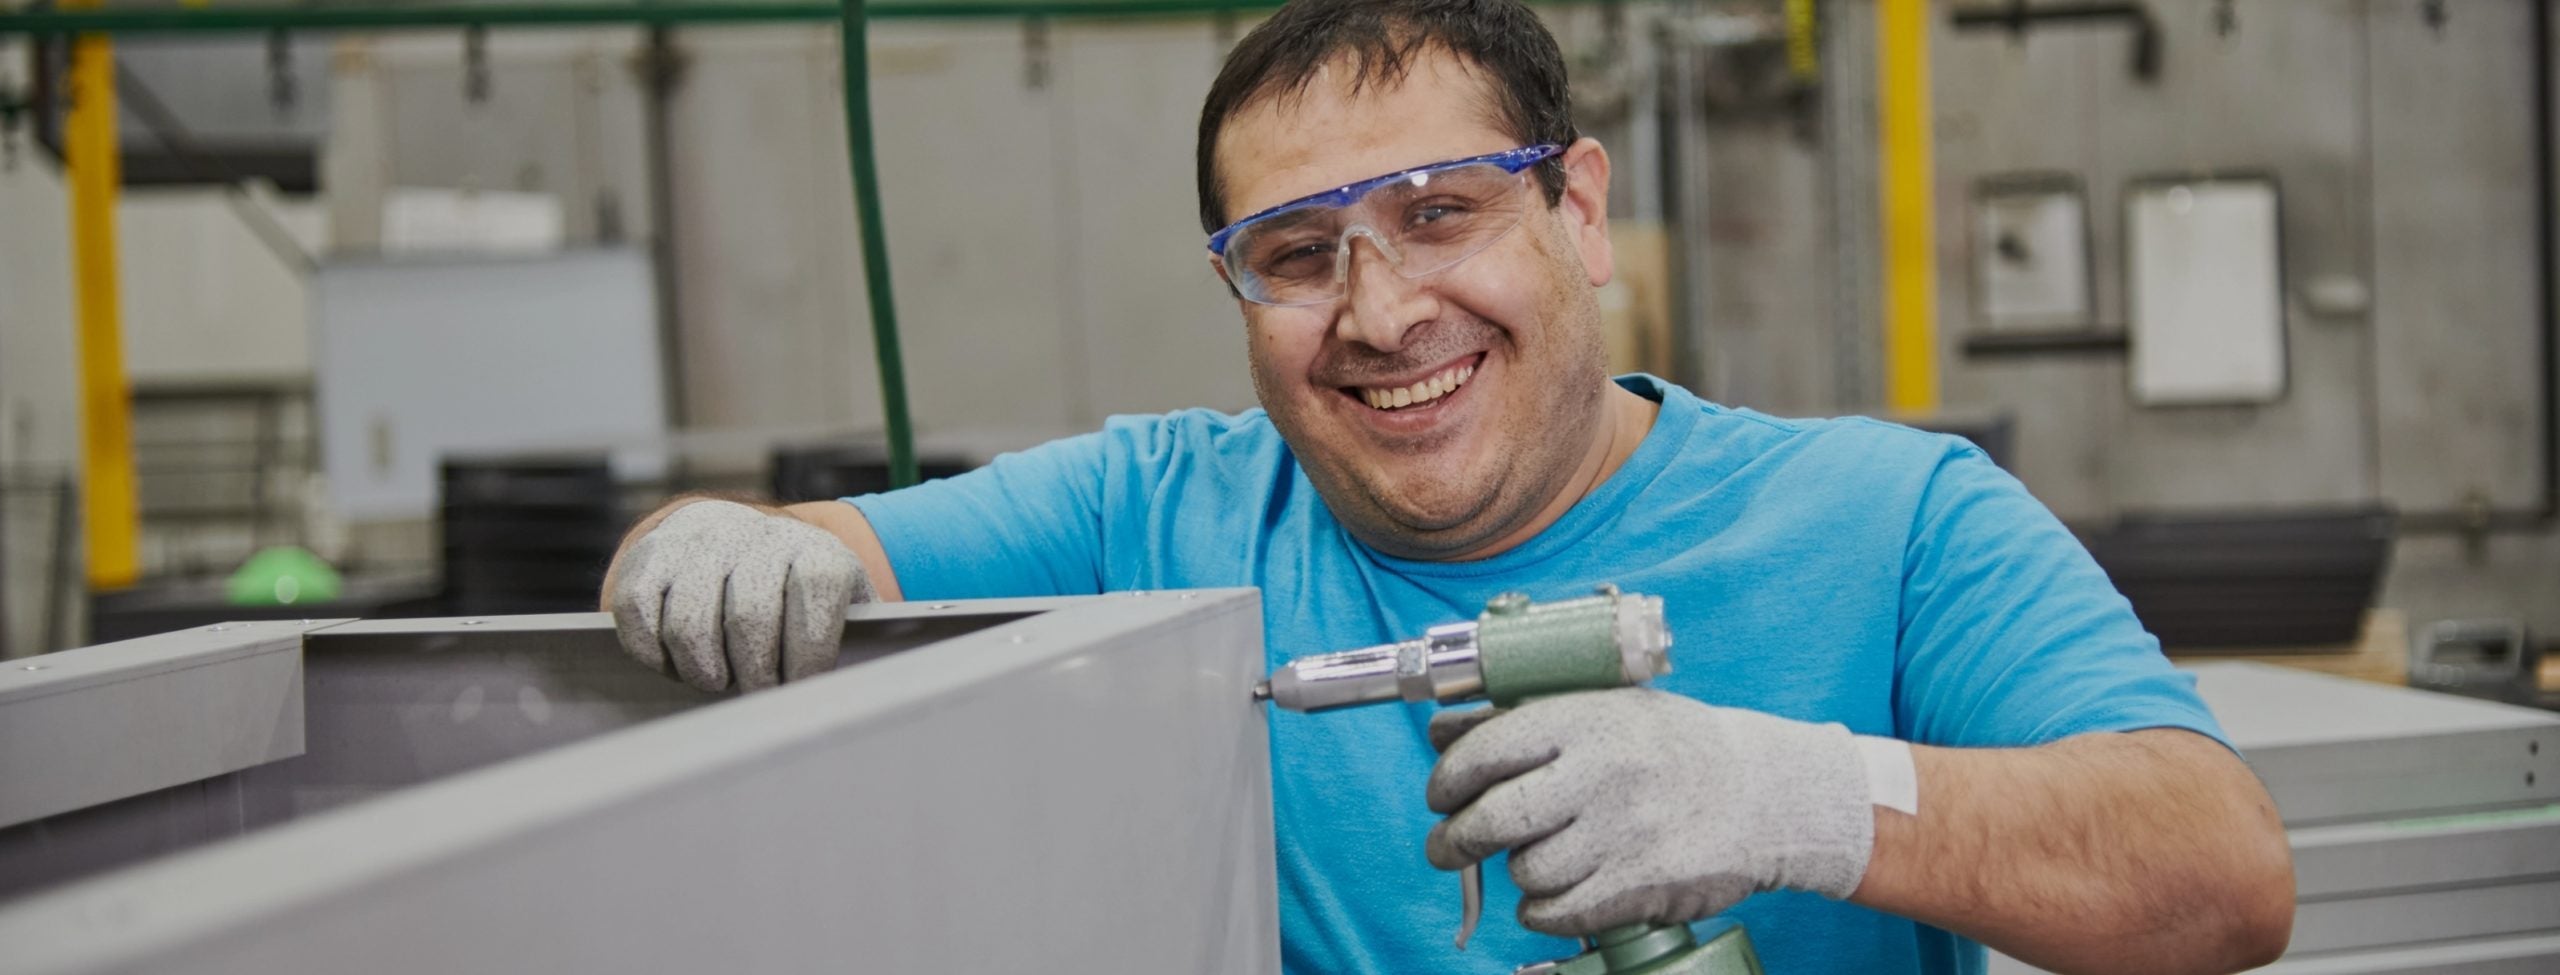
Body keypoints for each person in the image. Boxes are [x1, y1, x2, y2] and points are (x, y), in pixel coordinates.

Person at [600, 0, 2295, 971]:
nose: (1379, 312)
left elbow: (2220, 876)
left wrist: (1803, 801)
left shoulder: (1893, 517)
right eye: (1295, 254)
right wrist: (711, 542)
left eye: (1440, 213)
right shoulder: (1156, 513)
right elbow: (806, 552)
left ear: (1575, 210)